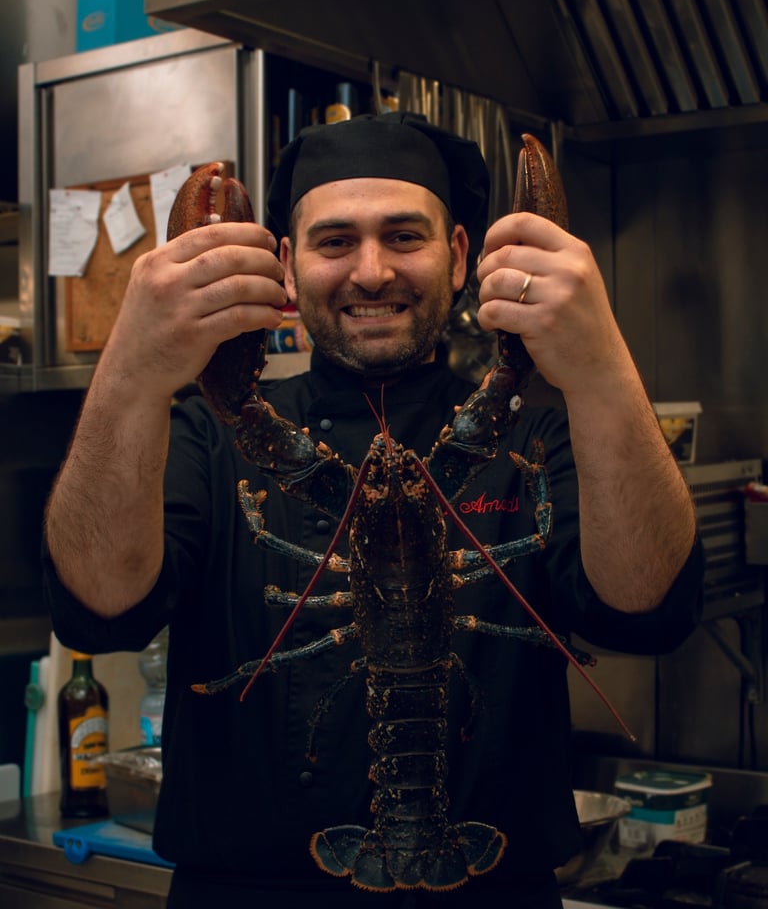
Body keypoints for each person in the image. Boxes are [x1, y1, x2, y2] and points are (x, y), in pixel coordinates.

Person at [43, 113, 703, 908]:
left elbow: (647, 611)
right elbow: (98, 612)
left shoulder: (537, 433)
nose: (371, 271)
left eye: (403, 236)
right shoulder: (209, 433)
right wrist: (131, 370)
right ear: (286, 267)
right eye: (334, 242)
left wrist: (600, 366)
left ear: (458, 255)